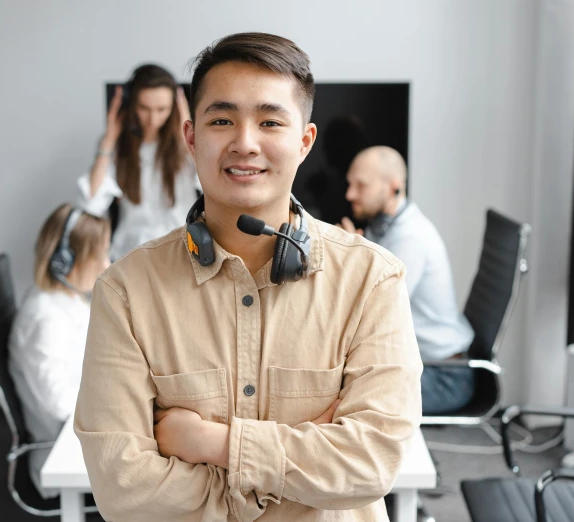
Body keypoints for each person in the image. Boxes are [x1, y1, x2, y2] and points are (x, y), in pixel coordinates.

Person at [75, 33, 422, 522]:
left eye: (270, 121)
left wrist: (212, 444)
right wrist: (303, 471)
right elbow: (123, 493)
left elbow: (369, 465)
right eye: (222, 120)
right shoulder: (126, 292)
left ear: (304, 142)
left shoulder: (373, 280)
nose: (244, 142)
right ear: (192, 137)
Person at [339, 146, 475, 415]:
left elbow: (372, 310)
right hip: (425, 365)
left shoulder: (409, 238)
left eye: (361, 185)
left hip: (444, 376)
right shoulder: (385, 225)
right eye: (350, 184)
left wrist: (348, 254)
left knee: (342, 391)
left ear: (393, 187)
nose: (350, 194)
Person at [8, 203, 110, 497]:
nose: (107, 263)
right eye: (98, 255)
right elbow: (60, 405)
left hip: (89, 432)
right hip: (66, 456)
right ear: (64, 261)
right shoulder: (45, 318)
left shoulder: (68, 299)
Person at [77, 63, 200, 261]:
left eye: (162, 109)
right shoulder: (117, 148)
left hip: (181, 254)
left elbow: (210, 184)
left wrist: (189, 136)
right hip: (130, 255)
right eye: (144, 108)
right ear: (132, 105)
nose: (153, 118)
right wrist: (109, 139)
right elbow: (91, 203)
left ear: (175, 107)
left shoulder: (187, 148)